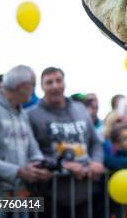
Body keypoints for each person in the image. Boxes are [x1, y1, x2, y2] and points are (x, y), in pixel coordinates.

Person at [27, 67, 104, 218]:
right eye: (49, 82)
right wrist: (61, 166)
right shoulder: (32, 115)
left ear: (64, 83)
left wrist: (97, 161)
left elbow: (96, 143)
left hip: (85, 192)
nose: (55, 85)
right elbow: (30, 152)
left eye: (58, 80)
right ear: (42, 87)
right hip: (50, 194)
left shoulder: (80, 109)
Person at [0, 66, 52, 197]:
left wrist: (40, 168)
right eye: (33, 85)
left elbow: (34, 151)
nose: (33, 90)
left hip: (19, 194)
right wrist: (18, 171)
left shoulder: (22, 114)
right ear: (22, 86)